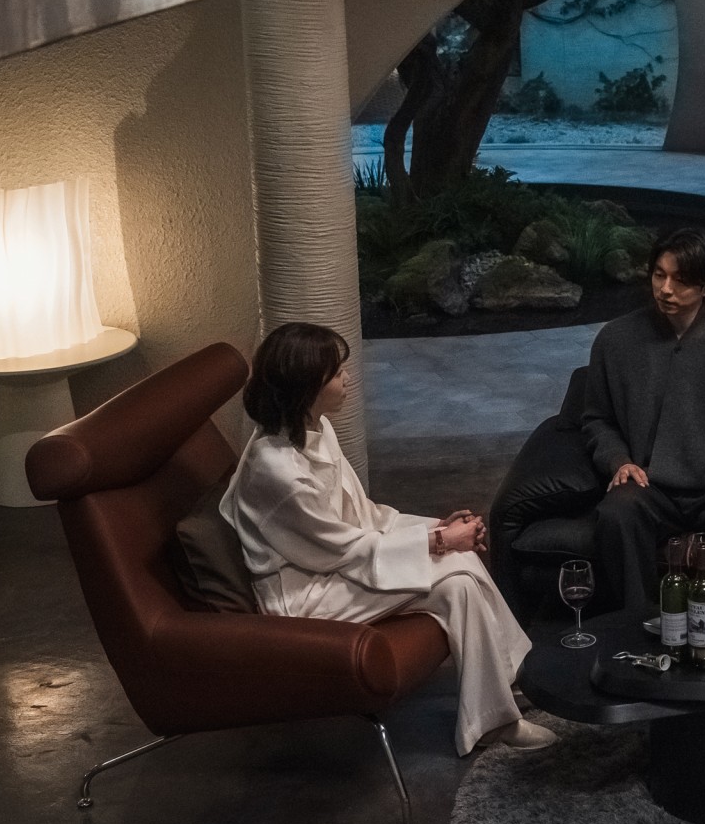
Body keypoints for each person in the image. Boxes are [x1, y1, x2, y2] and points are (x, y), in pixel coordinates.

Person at [221, 322, 556, 757]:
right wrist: (440, 542)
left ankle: (498, 708)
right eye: (336, 373)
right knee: (456, 565)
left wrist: (434, 528)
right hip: (305, 593)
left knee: (458, 584)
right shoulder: (277, 470)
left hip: (333, 566)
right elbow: (339, 549)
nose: (348, 378)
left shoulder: (315, 428)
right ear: (306, 387)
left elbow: (364, 516)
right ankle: (511, 688)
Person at [584, 227, 705, 614]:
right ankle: (636, 627)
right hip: (649, 485)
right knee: (615, 513)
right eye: (659, 275)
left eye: (680, 280)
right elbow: (596, 419)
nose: (665, 289)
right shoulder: (615, 339)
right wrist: (618, 461)